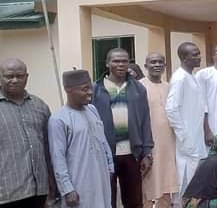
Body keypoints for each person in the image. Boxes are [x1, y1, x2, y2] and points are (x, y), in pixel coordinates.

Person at [91, 48, 153, 208]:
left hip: (132, 154)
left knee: (134, 201)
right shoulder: (95, 90)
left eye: (124, 61)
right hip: (106, 155)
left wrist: (147, 152)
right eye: (116, 61)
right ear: (107, 63)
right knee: (107, 200)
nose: (120, 64)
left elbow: (145, 121)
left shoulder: (138, 89)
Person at [49, 69, 114, 208]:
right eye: (84, 89)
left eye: (90, 88)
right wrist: (67, 189)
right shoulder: (59, 120)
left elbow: (103, 141)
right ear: (68, 90)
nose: (90, 92)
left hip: (101, 180)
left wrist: (110, 167)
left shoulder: (92, 110)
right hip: (79, 184)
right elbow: (57, 158)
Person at [0, 58, 53, 208]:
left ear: (27, 77)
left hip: (39, 191)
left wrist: (52, 182)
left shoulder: (40, 106)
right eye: (9, 76)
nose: (14, 80)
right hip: (6, 194)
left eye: (19, 75)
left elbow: (49, 147)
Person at [166, 42, 208, 197]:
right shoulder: (179, 78)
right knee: (185, 183)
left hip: (195, 138)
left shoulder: (192, 77)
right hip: (187, 141)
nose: (199, 57)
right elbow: (171, 109)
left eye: (198, 53)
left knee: (195, 183)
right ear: (184, 58)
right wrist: (184, 137)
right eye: (195, 54)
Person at [140, 53, 178, 208]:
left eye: (160, 62)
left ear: (165, 66)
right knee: (150, 179)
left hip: (168, 141)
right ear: (145, 66)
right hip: (149, 141)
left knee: (167, 179)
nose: (156, 65)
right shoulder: (139, 87)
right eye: (153, 62)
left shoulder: (169, 86)